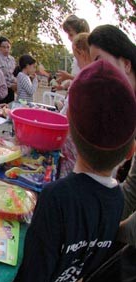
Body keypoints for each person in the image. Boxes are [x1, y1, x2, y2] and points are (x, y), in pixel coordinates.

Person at [0, 59, 136, 282]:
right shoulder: (118, 201)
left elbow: (31, 279)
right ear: (129, 153)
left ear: (69, 135)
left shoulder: (57, 197)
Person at [59, 32, 91, 178]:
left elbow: (66, 116)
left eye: (76, 57)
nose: (76, 63)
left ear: (82, 53)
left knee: (68, 170)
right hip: (82, 143)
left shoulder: (82, 81)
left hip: (71, 139)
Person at [55, 14, 90, 88]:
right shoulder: (76, 57)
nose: (68, 38)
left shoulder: (87, 57)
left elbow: (86, 80)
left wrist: (68, 76)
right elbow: (74, 78)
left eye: (71, 34)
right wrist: (63, 86)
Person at [0, 36, 16, 103]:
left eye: (8, 47)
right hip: (0, 90)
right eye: (4, 47)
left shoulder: (12, 59)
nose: (6, 49)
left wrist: (16, 82)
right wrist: (9, 85)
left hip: (11, 90)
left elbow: (11, 75)